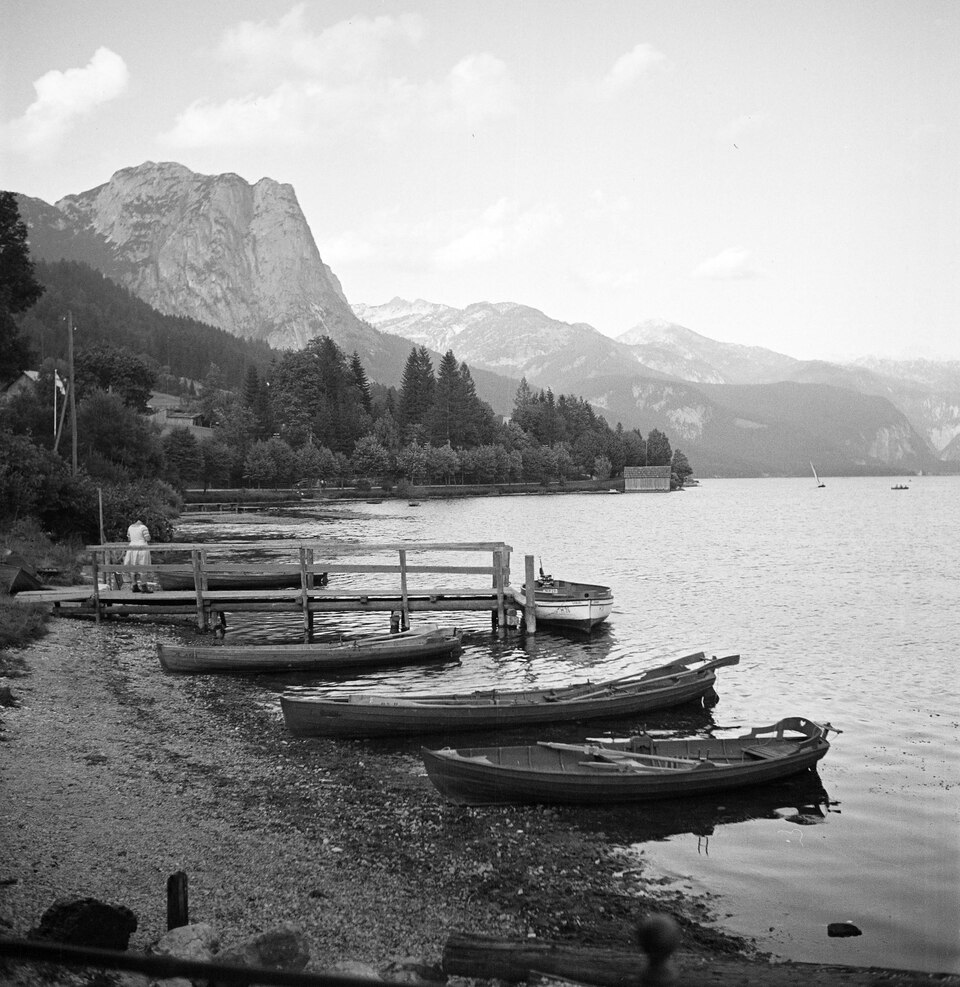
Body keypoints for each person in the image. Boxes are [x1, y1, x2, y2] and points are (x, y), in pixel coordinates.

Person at [123, 518, 152, 592]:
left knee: (133, 567)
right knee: (143, 566)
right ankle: (144, 586)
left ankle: (134, 585)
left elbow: (129, 539)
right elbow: (147, 538)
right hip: (142, 548)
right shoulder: (143, 527)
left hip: (132, 547)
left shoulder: (130, 527)